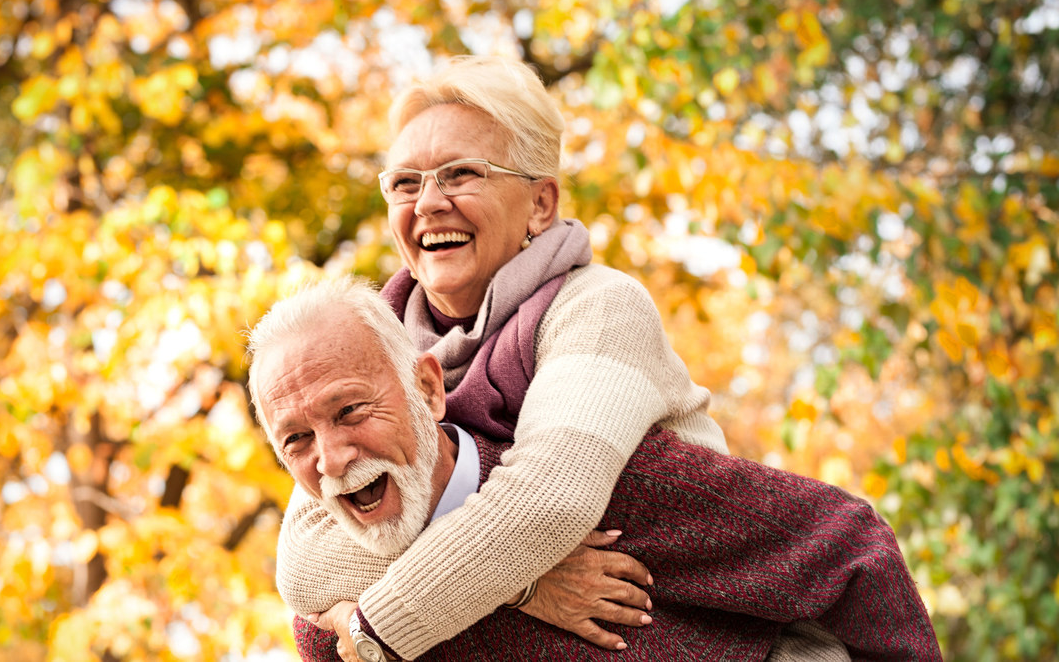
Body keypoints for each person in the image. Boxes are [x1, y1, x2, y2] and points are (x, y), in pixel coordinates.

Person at [273, 55, 837, 660]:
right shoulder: (371, 351)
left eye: (461, 174)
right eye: (405, 183)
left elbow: (548, 501)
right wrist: (525, 584)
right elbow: (304, 561)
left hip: (718, 637)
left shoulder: (600, 306)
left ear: (541, 204)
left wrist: (373, 628)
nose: (428, 203)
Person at [247, 278, 941, 661]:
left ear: (429, 390)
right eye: (296, 441)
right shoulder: (334, 633)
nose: (332, 459)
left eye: (350, 412)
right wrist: (516, 585)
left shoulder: (618, 489)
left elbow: (850, 548)